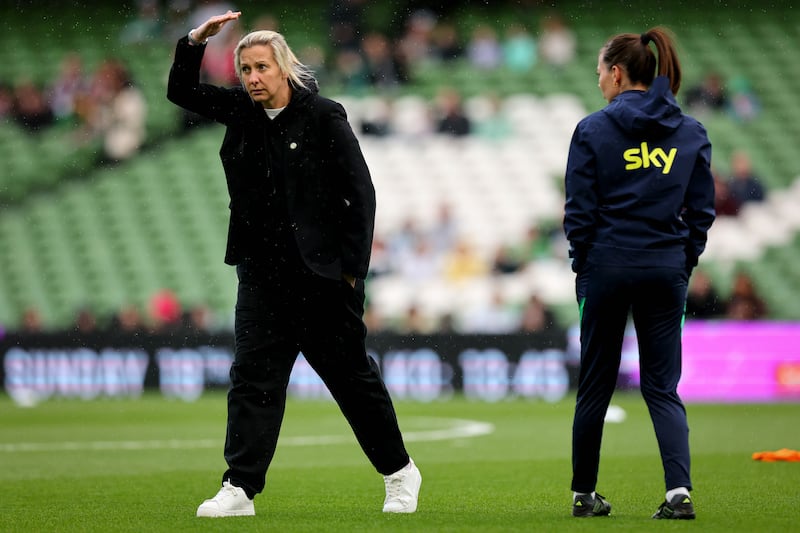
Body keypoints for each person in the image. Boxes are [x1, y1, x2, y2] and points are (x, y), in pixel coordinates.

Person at [166, 10, 421, 518]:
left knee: (352, 382)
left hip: (323, 277)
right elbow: (182, 92)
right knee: (253, 380)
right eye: (245, 70)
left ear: (284, 68)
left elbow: (360, 194)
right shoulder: (240, 111)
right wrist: (195, 41)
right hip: (260, 274)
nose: (253, 79)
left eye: (262, 68)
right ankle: (239, 486)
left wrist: (352, 272)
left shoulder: (324, 115)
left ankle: (399, 473)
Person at [563, 27, 715, 520]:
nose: (599, 85)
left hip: (606, 266)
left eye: (600, 75)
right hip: (664, 268)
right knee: (661, 387)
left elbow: (579, 214)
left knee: (596, 386)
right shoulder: (690, 132)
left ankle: (584, 495)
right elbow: (702, 212)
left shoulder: (592, 129)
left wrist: (583, 266)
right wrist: (682, 261)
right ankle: (678, 494)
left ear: (615, 72)